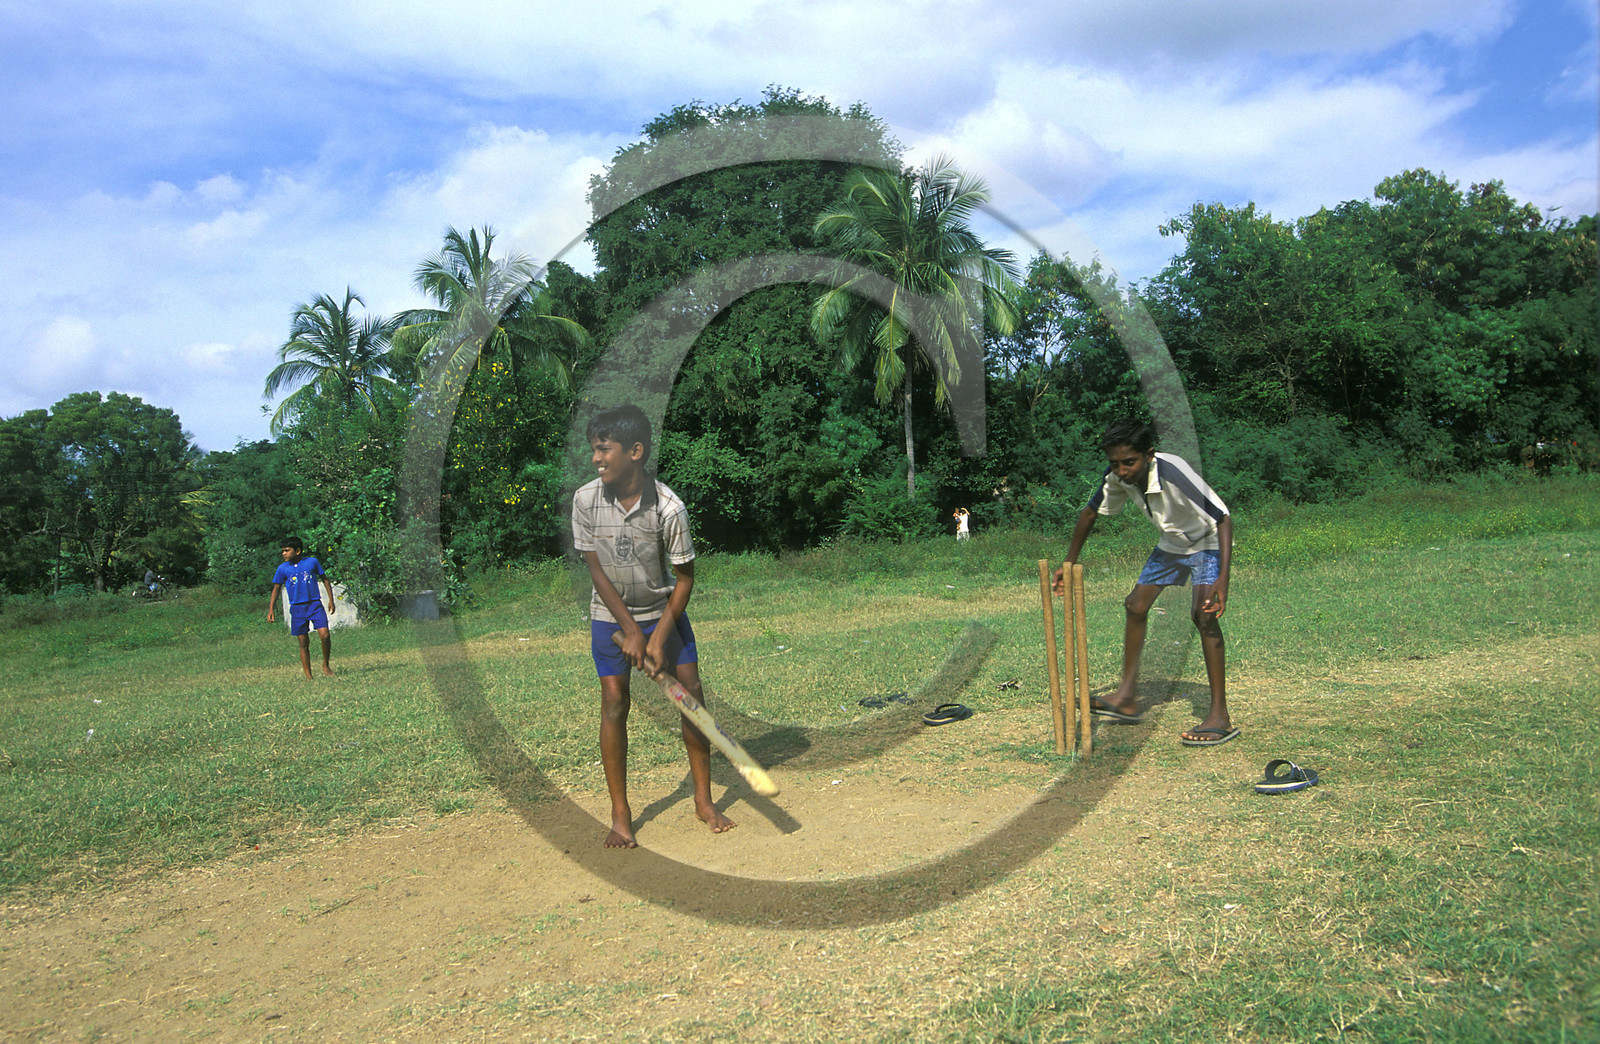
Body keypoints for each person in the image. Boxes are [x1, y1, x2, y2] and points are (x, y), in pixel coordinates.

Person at [572, 404, 734, 848]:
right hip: (611, 614)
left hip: (663, 611)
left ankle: (703, 799)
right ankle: (620, 813)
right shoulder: (585, 499)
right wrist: (630, 631)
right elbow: (596, 571)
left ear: (636, 452)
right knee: (614, 700)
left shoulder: (668, 507)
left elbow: (685, 580)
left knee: (690, 696)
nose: (596, 458)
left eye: (604, 450)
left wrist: (656, 637)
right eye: (594, 450)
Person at [1053, 418, 1237, 746]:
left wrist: (1222, 580)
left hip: (1207, 539)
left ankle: (1219, 716)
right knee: (1135, 605)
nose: (1122, 471)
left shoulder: (1171, 473)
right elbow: (1090, 513)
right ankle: (1126, 697)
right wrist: (1068, 563)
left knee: (1203, 614)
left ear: (1148, 455)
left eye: (1129, 462)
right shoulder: (1118, 477)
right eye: (1115, 463)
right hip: (1173, 542)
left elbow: (1222, 518)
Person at [266, 537, 336, 679]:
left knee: (325, 635)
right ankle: (308, 676)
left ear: (297, 551)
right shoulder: (282, 568)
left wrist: (331, 600)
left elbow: (325, 579)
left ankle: (325, 664)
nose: (284, 554)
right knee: (303, 641)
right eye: (283, 551)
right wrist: (271, 609)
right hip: (297, 608)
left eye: (287, 551)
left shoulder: (312, 562)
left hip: (314, 604)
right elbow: (276, 588)